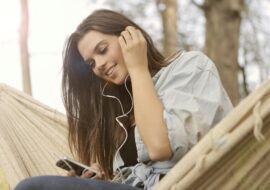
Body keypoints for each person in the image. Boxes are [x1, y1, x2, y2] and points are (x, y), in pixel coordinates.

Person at [15, 9, 233, 190]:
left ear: (129, 37)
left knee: (33, 188)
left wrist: (138, 68)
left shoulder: (189, 67)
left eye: (102, 50)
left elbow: (159, 147)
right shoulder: (118, 111)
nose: (98, 64)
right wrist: (101, 182)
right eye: (91, 63)